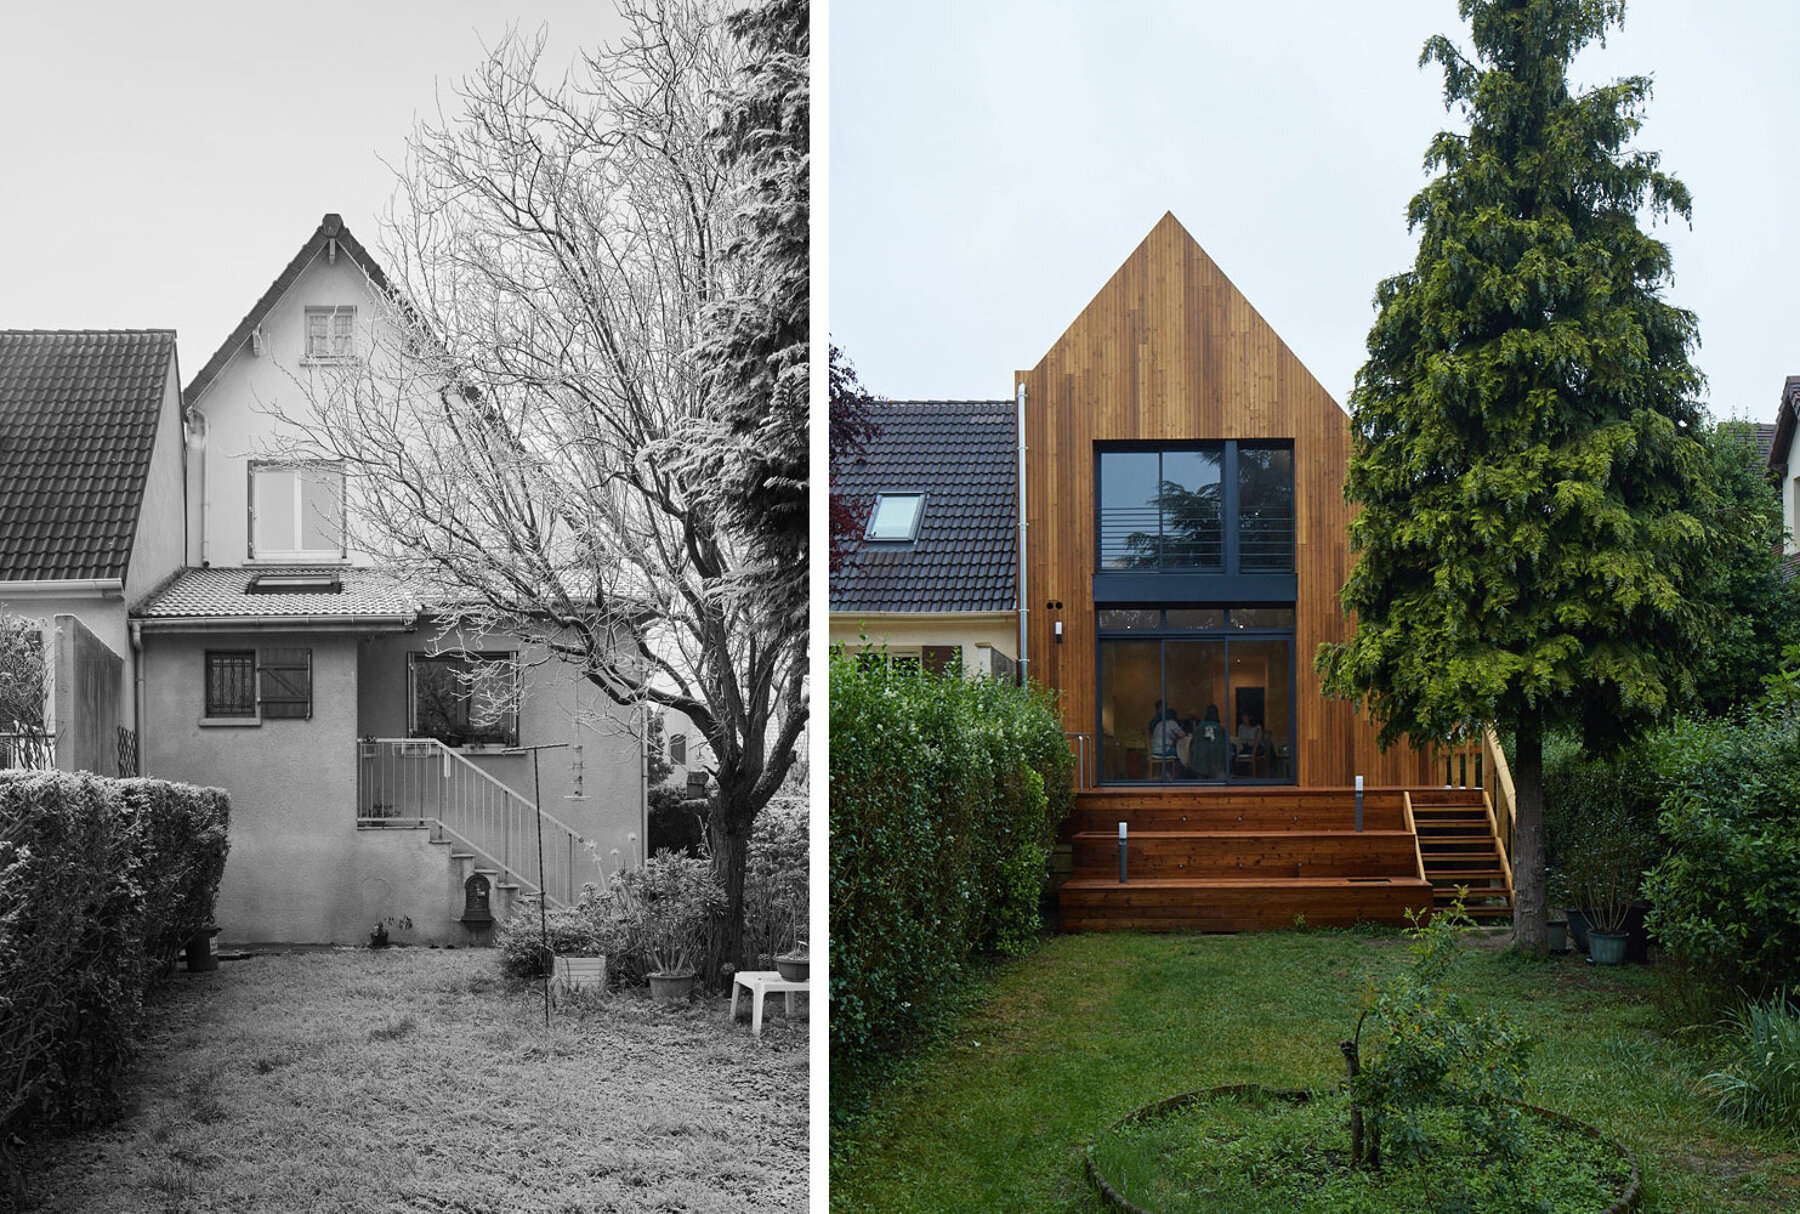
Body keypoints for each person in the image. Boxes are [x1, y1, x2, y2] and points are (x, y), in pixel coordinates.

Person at [1147, 700, 1187, 775]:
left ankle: (1167, 773)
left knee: (1173, 752)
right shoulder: (1172, 723)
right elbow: (1183, 735)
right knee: (1181, 753)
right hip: (1163, 750)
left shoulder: (1159, 723)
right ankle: (1176, 775)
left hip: (1155, 750)